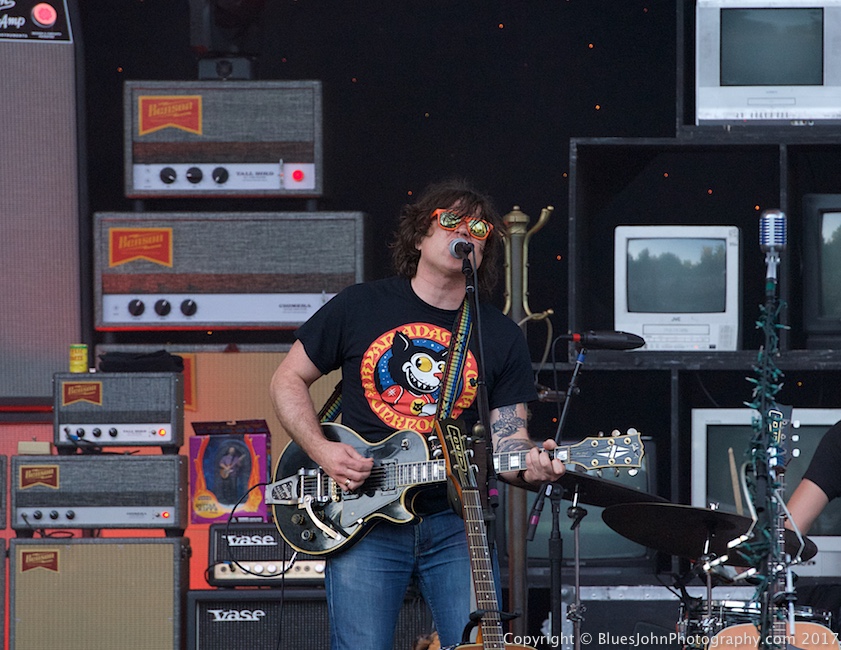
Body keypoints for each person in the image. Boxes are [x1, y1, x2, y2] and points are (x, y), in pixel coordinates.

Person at [269, 179, 566, 650]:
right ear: (419, 236)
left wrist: (532, 465)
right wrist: (323, 451)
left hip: (455, 518)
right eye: (451, 220)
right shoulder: (361, 305)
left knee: (477, 647)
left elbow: (509, 440)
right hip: (362, 515)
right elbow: (287, 379)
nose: (466, 231)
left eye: (480, 227)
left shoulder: (499, 335)